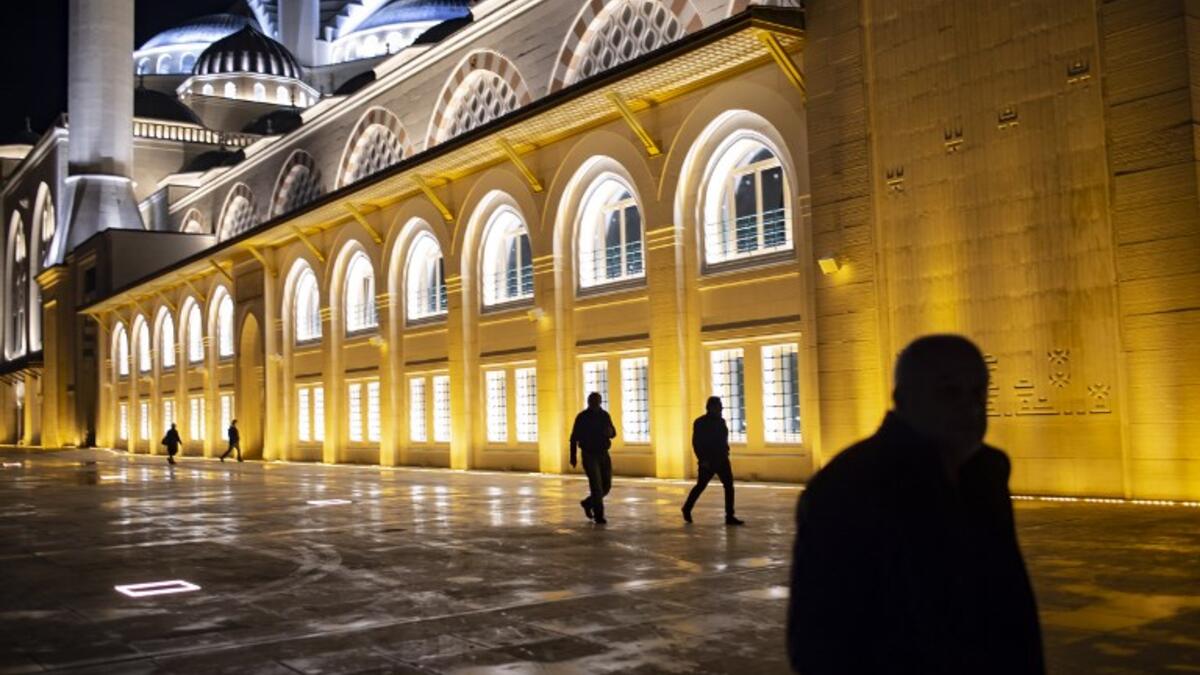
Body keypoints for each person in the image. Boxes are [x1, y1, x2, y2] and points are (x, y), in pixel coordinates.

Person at [786, 335, 1043, 674]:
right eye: (949, 392)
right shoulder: (850, 487)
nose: (971, 408)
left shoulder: (985, 474)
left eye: (979, 392)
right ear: (903, 398)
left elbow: (1010, 608)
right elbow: (821, 640)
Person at [682, 396, 744, 525]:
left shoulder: (721, 421)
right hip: (708, 461)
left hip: (722, 459)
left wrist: (726, 452)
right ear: (710, 407)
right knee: (701, 486)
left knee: (728, 486)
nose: (721, 408)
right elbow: (697, 443)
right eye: (718, 405)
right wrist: (703, 459)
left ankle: (729, 516)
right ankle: (687, 508)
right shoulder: (700, 422)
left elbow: (723, 439)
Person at [570, 392, 616, 524]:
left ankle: (588, 503)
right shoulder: (582, 417)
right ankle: (599, 515)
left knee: (606, 486)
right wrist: (573, 456)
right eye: (592, 401)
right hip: (589, 454)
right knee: (596, 486)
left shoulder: (604, 415)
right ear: (588, 402)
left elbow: (613, 432)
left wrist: (611, 432)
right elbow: (574, 438)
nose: (594, 403)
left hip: (603, 453)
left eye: (596, 401)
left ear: (600, 402)